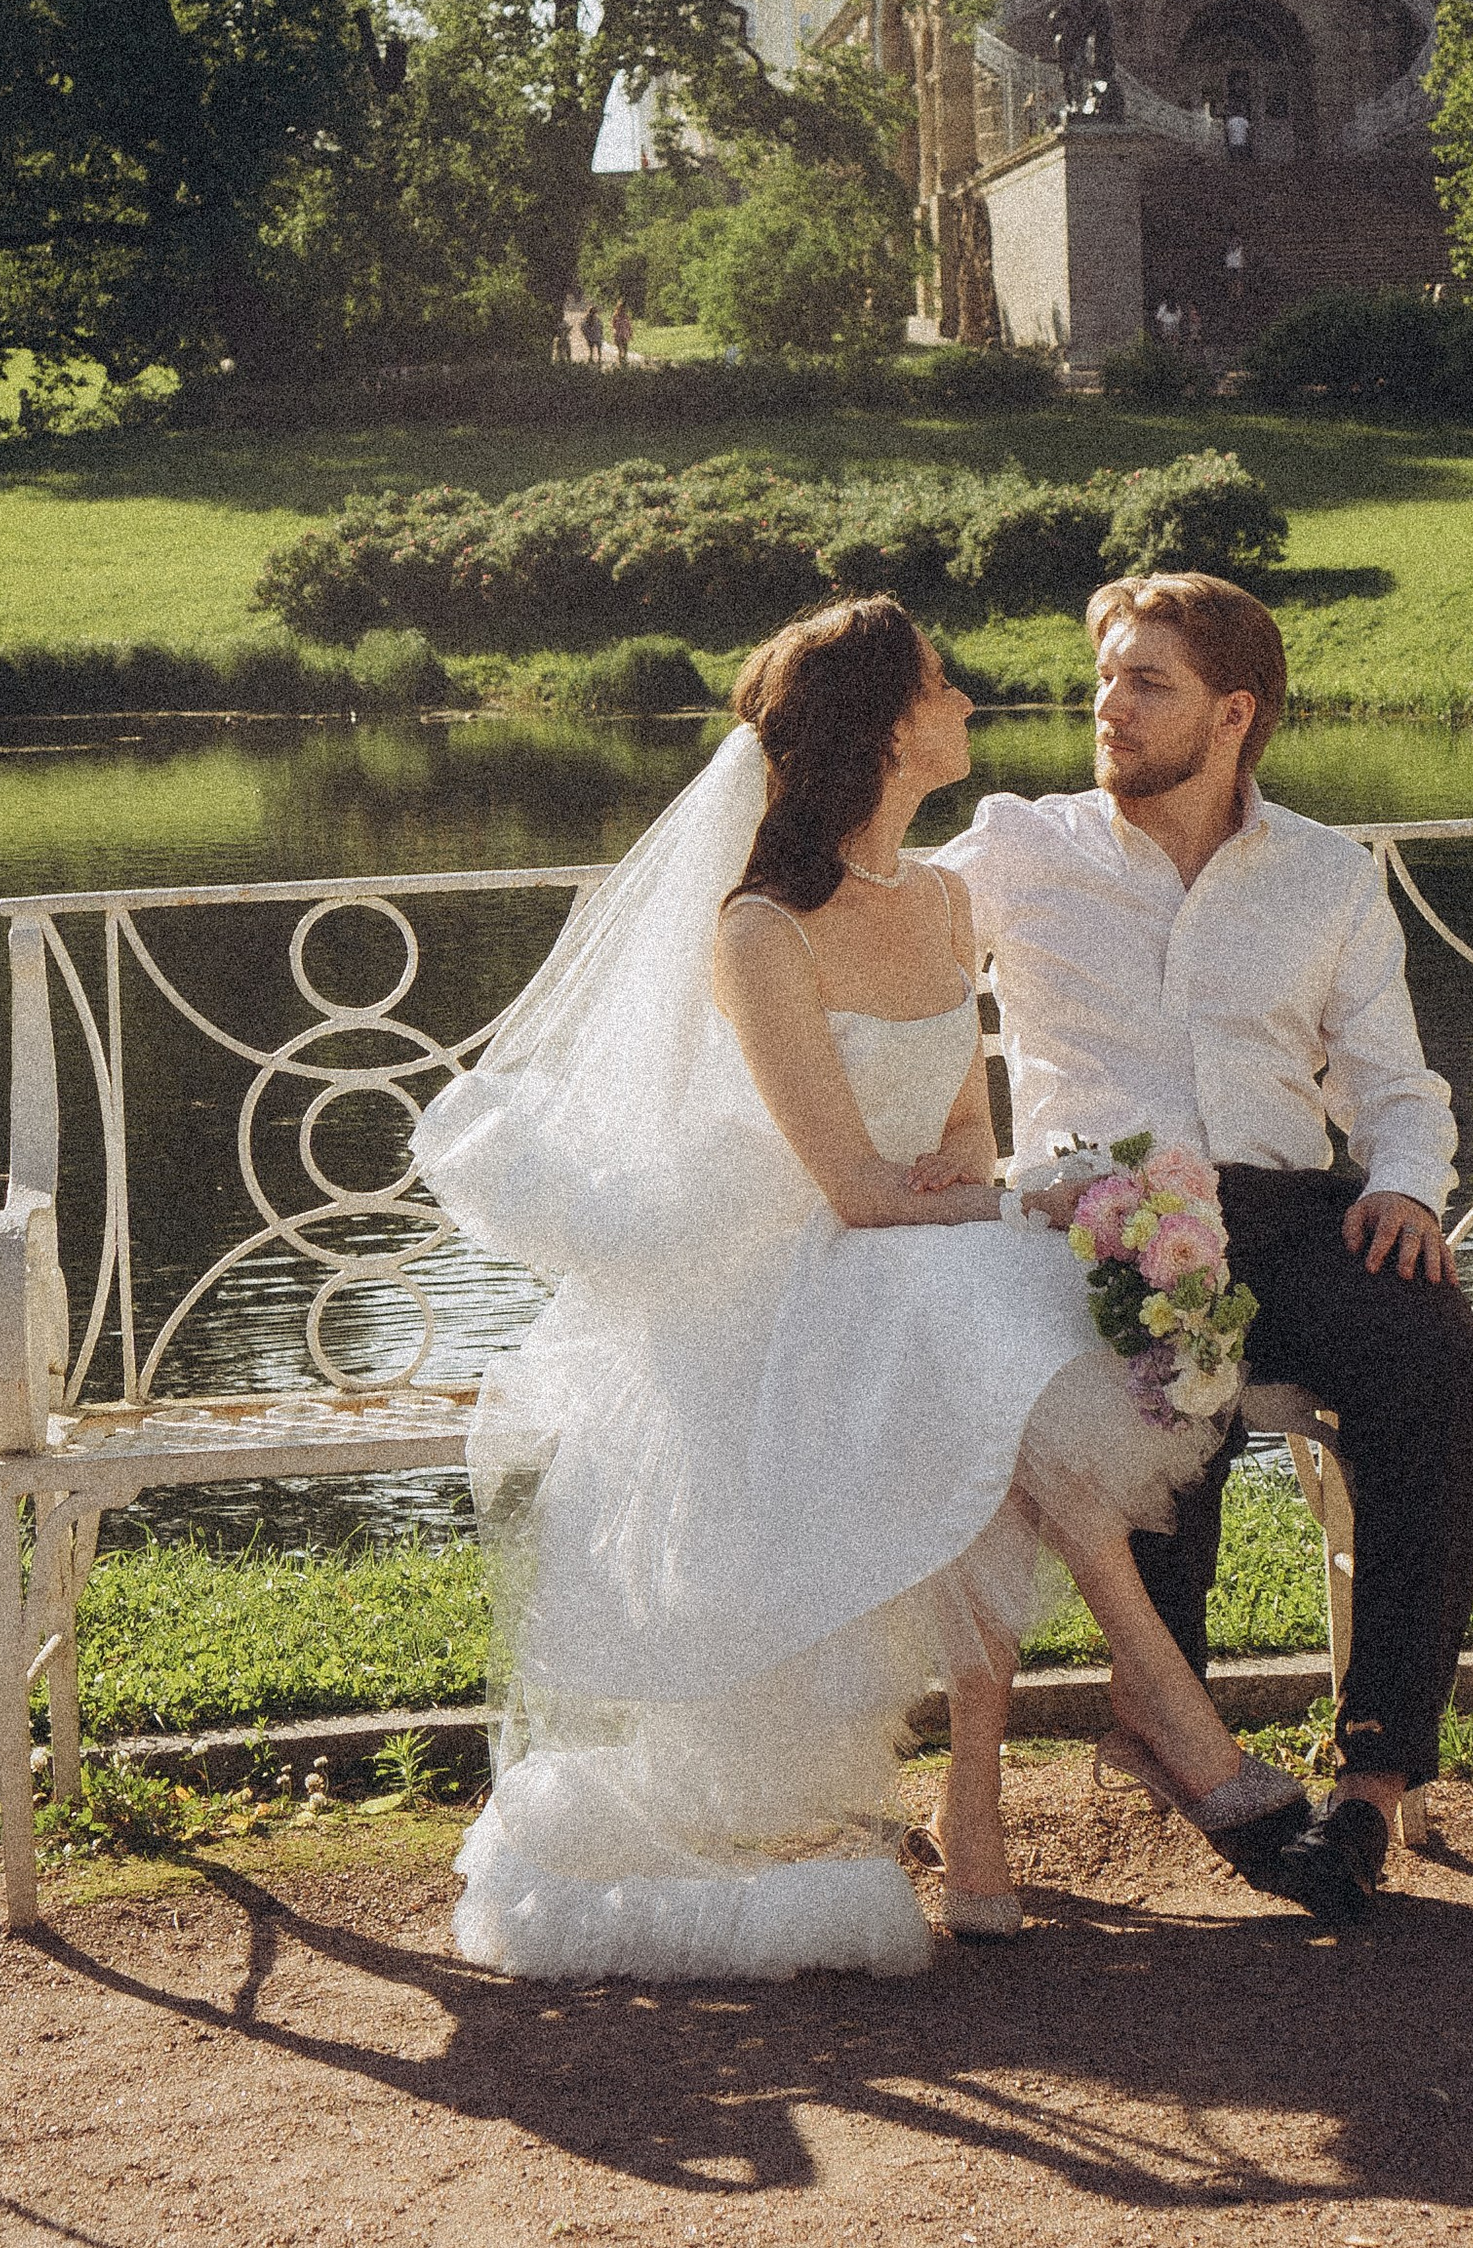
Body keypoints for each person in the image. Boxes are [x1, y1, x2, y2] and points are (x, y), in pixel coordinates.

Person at [411, 596, 1312, 1983]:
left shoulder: (949, 901)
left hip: (909, 1261)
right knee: (990, 1350)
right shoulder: (760, 930)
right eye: (941, 686)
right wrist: (975, 1200)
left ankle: (1009, 1795)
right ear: (892, 732)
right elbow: (846, 1183)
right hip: (776, 1283)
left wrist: (997, 1192)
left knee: (998, 1343)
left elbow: (957, 1139)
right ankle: (1158, 1733)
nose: (965, 701)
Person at [938, 572, 1473, 1926]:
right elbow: (879, 939)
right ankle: (1172, 1724)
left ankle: (1370, 1787)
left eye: (1148, 685)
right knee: (1165, 1381)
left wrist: (1413, 1191)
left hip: (1288, 1209)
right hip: (1104, 1215)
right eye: (1107, 679)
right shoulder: (1024, 847)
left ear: (1233, 712)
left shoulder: (1324, 873)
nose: (1109, 707)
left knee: (1443, 1382)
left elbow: (1395, 1085)